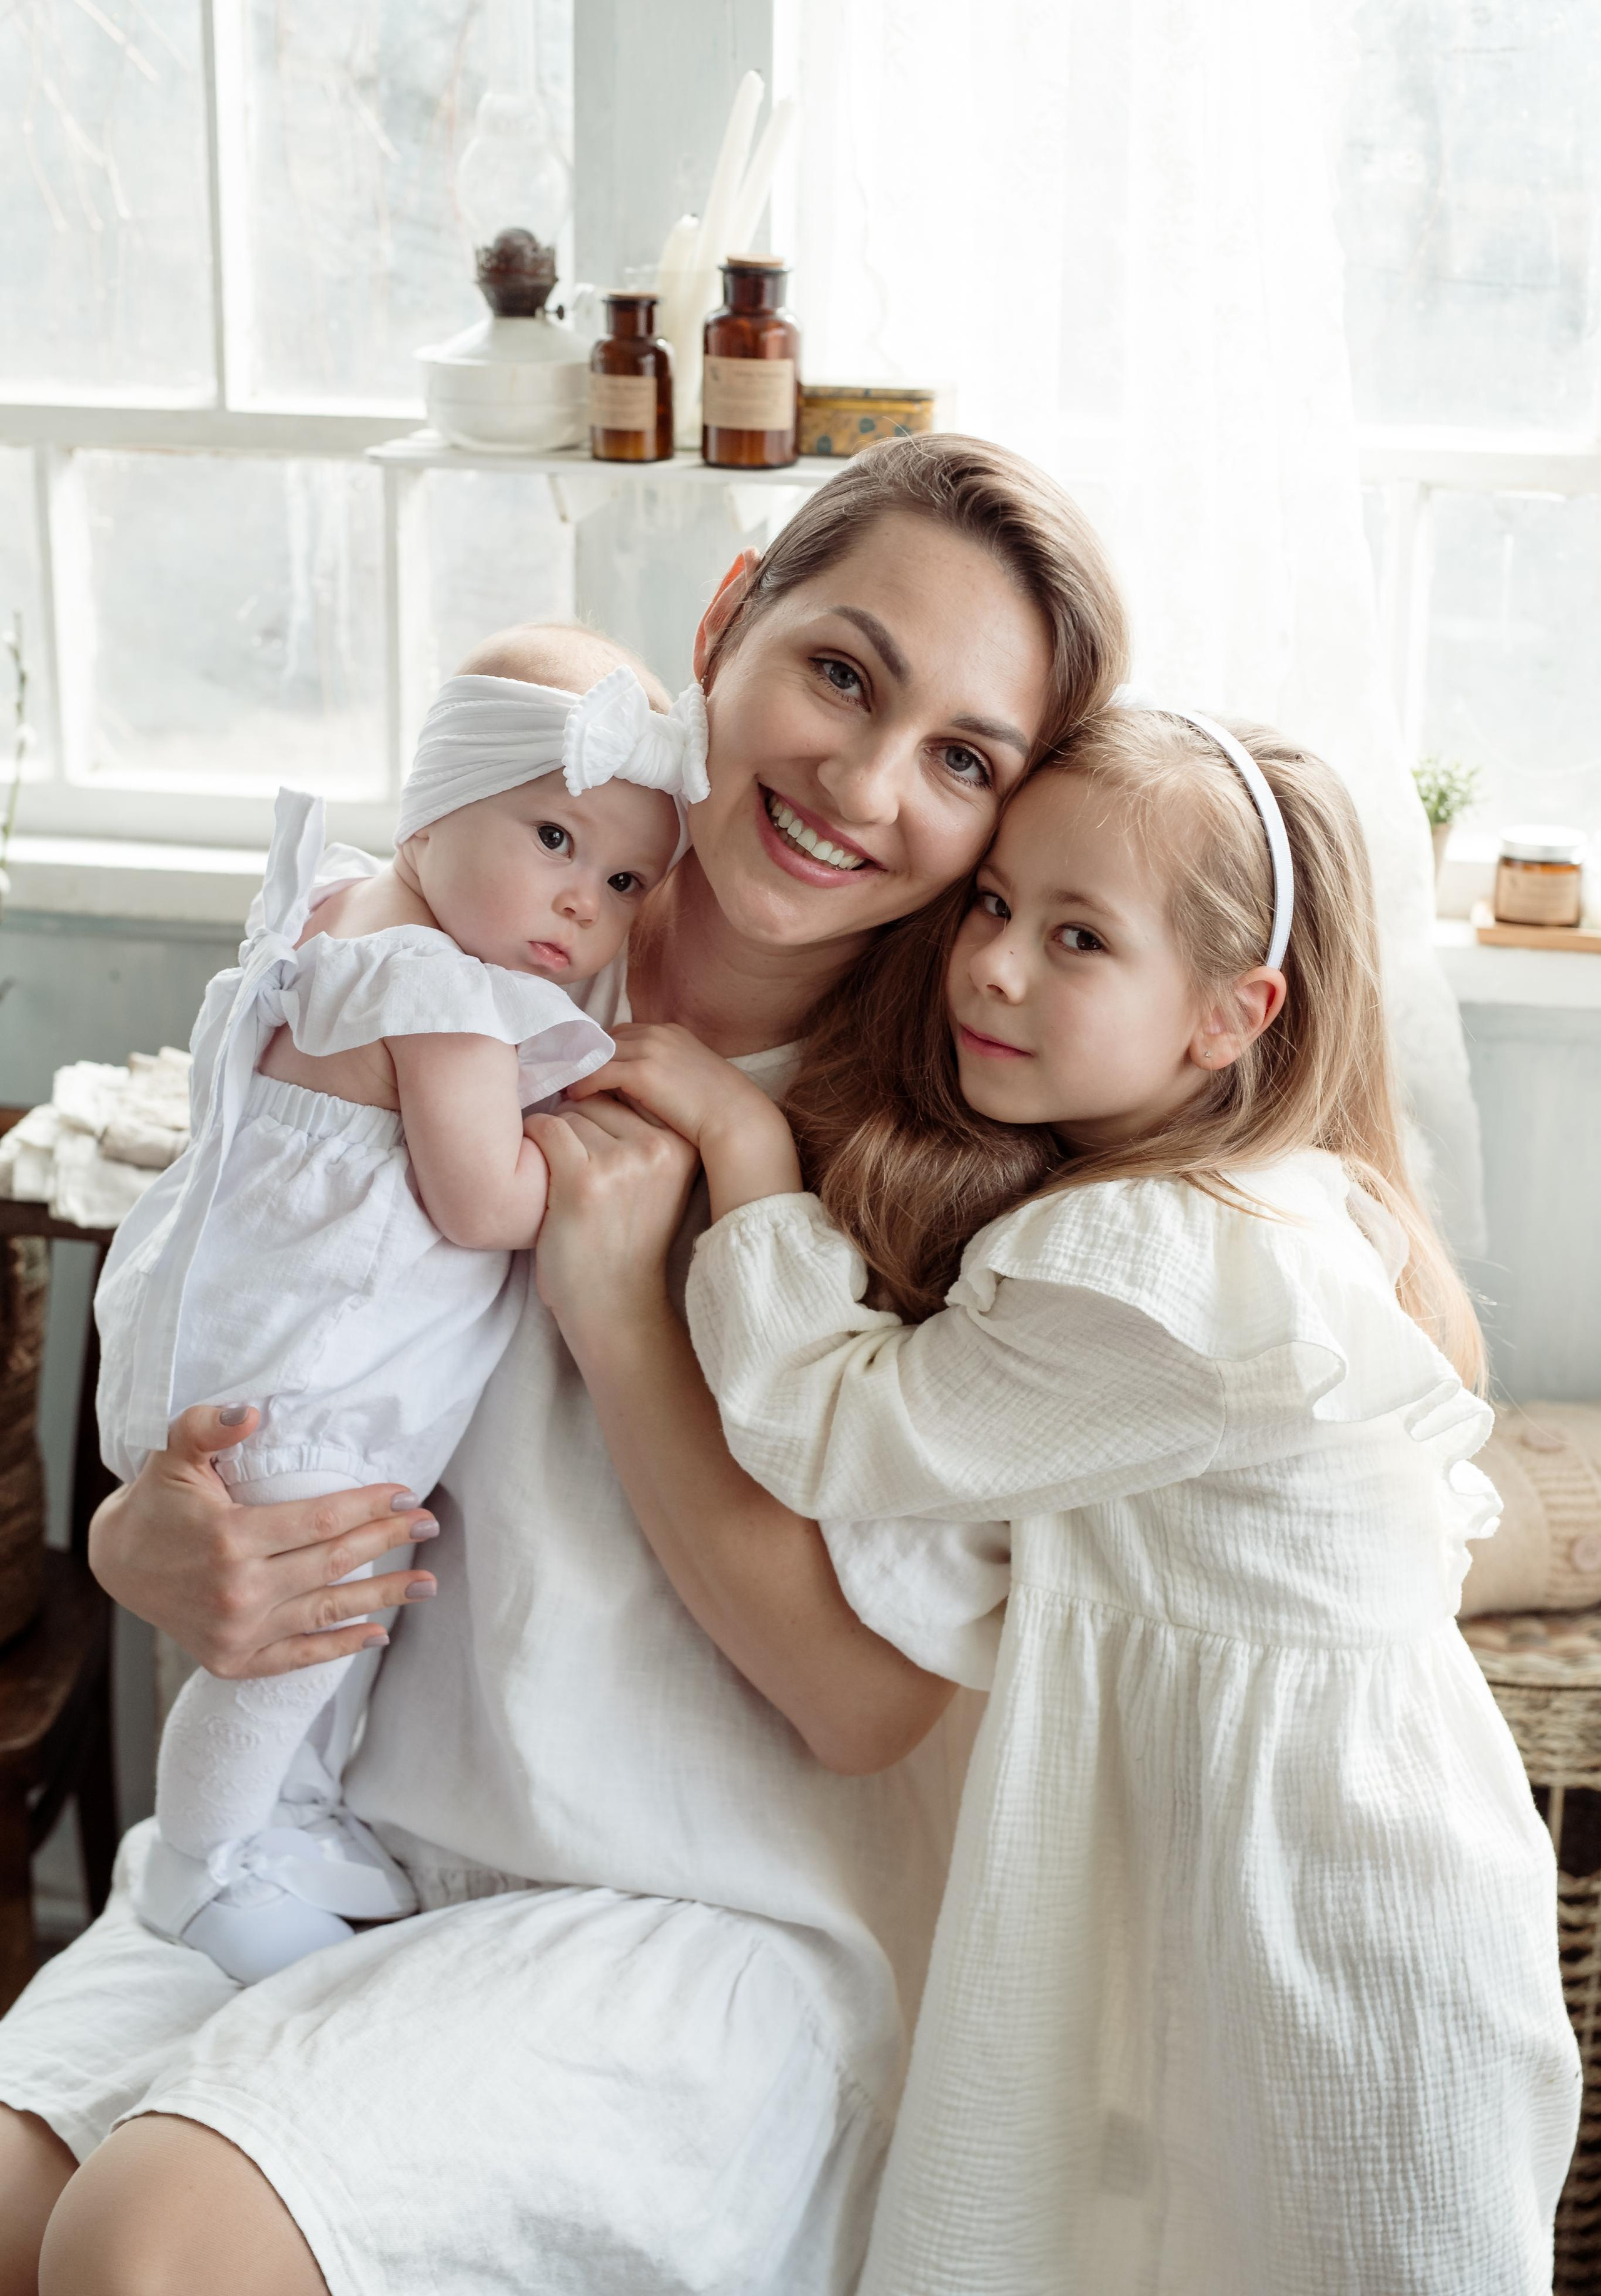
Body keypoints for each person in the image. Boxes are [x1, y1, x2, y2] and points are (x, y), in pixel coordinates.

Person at [0, 435, 1129, 2296]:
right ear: (726, 621)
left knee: (148, 2245)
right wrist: (144, 1537)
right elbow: (224, 1304)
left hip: (695, 1919)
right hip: (346, 1848)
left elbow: (865, 1713)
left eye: (961, 760)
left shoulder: (940, 1160)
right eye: (842, 672)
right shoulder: (462, 928)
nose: (862, 783)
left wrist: (619, 1318)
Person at [550, 697, 1581, 2295]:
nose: (992, 966)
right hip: (1277, 1856)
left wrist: (748, 1150)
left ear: (1229, 1015)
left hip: (1325, 1906)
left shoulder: (1161, 1271)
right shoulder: (1247, 1207)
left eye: (1077, 937)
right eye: (991, 904)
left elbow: (831, 1431)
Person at [94, 630, 697, 1983]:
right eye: (554, 837)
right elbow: (482, 1201)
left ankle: (292, 1816)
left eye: (622, 881)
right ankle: (203, 1862)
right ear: (440, 801)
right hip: (317, 1389)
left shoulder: (336, 913)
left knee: (325, 1633)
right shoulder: (442, 992)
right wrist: (596, 1166)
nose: (581, 904)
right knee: (305, 1639)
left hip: (224, 1343)